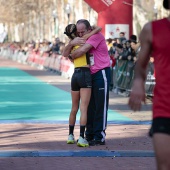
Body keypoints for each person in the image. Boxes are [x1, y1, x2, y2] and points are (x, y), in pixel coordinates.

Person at [128, 0, 170, 169]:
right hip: (165, 107)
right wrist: (138, 81)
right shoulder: (151, 29)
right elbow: (141, 64)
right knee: (164, 165)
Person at [63, 19, 110, 146]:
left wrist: (72, 55)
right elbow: (65, 52)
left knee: (100, 105)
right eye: (77, 32)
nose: (80, 34)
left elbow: (82, 50)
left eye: (82, 32)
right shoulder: (82, 37)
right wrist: (71, 44)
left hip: (101, 72)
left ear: (88, 29)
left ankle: (99, 136)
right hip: (88, 74)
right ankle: (88, 135)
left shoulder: (96, 36)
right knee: (89, 106)